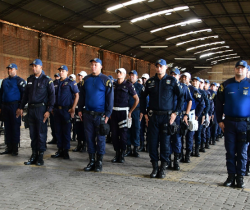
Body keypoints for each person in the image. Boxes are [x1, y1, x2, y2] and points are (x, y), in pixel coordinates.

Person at [140, 59, 184, 179]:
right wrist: (144, 114)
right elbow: (142, 97)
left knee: (165, 143)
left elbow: (181, 97)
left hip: (167, 117)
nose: (159, 68)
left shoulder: (172, 81)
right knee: (152, 142)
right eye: (157, 66)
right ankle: (154, 167)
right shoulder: (150, 82)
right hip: (153, 116)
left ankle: (163, 167)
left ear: (166, 68)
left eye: (161, 66)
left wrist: (176, 113)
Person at [216, 60, 250, 188]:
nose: (240, 70)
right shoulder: (226, 85)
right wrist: (219, 120)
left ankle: (240, 177)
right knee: (230, 151)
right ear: (234, 69)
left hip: (245, 124)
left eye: (243, 68)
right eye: (238, 68)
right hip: (229, 123)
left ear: (246, 70)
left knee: (242, 152)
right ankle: (231, 176)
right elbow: (218, 103)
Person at [78, 58, 114, 172]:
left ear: (101, 66)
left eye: (96, 65)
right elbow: (82, 96)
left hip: (100, 115)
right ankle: (91, 160)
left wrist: (108, 114)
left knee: (101, 139)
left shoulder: (106, 80)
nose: (93, 66)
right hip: (88, 114)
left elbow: (110, 98)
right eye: (92, 65)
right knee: (89, 139)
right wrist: (79, 109)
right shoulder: (86, 80)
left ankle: (99, 161)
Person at [18, 59, 55, 166]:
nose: (34, 68)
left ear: (41, 67)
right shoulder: (30, 79)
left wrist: (49, 110)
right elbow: (25, 96)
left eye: (36, 66)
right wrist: (21, 107)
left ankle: (40, 156)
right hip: (31, 110)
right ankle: (34, 155)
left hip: (41, 110)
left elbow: (52, 96)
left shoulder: (47, 80)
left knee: (41, 133)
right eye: (33, 66)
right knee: (33, 133)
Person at [51, 65, 79, 159]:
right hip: (56, 110)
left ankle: (66, 151)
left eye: (63, 71)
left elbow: (77, 95)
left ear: (67, 72)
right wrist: (51, 108)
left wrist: (73, 108)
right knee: (58, 131)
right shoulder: (55, 83)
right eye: (60, 71)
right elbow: (52, 96)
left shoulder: (71, 82)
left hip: (66, 110)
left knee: (66, 131)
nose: (61, 72)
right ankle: (60, 150)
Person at [110, 69, 139, 162]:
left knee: (123, 135)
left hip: (124, 112)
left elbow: (137, 99)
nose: (118, 74)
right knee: (114, 134)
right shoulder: (113, 85)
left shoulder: (128, 85)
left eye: (120, 73)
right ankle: (117, 153)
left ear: (124, 74)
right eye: (117, 72)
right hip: (114, 112)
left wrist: (130, 112)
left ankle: (122, 154)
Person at [0, 63, 26, 156]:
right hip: (5, 107)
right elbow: (1, 94)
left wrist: (20, 108)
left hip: (15, 107)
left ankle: (15, 148)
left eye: (11, 69)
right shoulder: (4, 81)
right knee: (7, 127)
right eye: (8, 69)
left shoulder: (20, 81)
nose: (9, 71)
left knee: (15, 127)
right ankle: (9, 147)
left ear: (16, 70)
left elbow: (24, 96)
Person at [169, 68, 192, 170]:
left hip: (178, 116)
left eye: (175, 75)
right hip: (167, 116)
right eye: (172, 74)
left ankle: (176, 161)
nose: (173, 76)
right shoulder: (166, 85)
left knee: (177, 139)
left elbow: (189, 100)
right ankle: (168, 161)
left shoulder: (183, 87)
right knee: (167, 139)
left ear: (179, 76)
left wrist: (186, 115)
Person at [180, 73, 204, 163]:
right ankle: (180, 155)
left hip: (190, 115)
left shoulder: (193, 90)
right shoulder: (179, 87)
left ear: (189, 79)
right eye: (182, 77)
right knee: (180, 136)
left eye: (185, 77)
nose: (183, 78)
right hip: (181, 114)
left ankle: (187, 156)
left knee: (189, 137)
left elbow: (201, 103)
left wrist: (197, 114)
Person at [125, 70, 143, 158]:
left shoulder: (140, 87)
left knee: (136, 129)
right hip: (127, 110)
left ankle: (135, 148)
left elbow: (143, 100)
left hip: (136, 111)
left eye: (133, 75)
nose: (131, 77)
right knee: (127, 129)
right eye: (130, 75)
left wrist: (143, 112)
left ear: (137, 76)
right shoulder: (127, 85)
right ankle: (128, 148)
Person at [193, 78, 210, 157]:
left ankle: (197, 149)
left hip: (199, 115)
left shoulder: (203, 93)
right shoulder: (190, 90)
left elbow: (207, 104)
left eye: (197, 81)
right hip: (191, 114)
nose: (195, 83)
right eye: (194, 81)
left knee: (199, 133)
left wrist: (204, 114)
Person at [72, 71, 88, 152]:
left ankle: (84, 145)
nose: (80, 77)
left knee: (84, 127)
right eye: (79, 76)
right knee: (78, 126)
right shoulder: (77, 85)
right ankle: (79, 144)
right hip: (77, 108)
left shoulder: (87, 86)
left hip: (85, 109)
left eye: (81, 76)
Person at [48, 73, 60, 145]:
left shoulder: (62, 84)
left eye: (57, 76)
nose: (56, 78)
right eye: (55, 76)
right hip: (53, 107)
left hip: (59, 108)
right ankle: (54, 138)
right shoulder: (52, 83)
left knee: (58, 125)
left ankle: (59, 139)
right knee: (52, 124)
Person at [139, 73, 150, 152]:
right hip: (142, 111)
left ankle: (148, 146)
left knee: (149, 130)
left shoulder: (151, 88)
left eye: (145, 78)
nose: (144, 80)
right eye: (143, 78)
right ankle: (142, 145)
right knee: (141, 129)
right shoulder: (141, 88)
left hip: (149, 111)